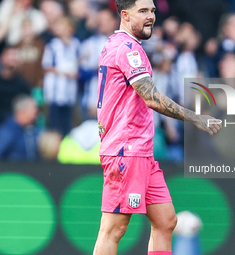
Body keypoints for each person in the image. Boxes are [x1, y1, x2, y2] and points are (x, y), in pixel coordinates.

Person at [93, 0, 222, 254]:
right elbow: (151, 98)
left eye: (152, 10)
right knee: (113, 229)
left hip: (140, 151)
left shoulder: (120, 44)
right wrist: (196, 118)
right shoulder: (128, 49)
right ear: (125, 15)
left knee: (166, 221)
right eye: (143, 11)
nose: (150, 16)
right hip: (125, 150)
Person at [42, 16, 80, 136]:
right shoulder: (52, 45)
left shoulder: (76, 44)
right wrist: (64, 72)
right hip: (55, 92)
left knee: (67, 123)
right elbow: (47, 65)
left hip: (69, 92)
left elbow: (79, 61)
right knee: (54, 123)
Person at [0, 46, 31, 130]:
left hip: (15, 129)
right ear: (0, 58)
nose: (13, 58)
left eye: (15, 56)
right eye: (10, 55)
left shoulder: (23, 85)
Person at [0, 94, 39, 160]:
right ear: (23, 110)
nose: (36, 111)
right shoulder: (7, 131)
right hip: (12, 169)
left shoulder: (31, 129)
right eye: (33, 108)